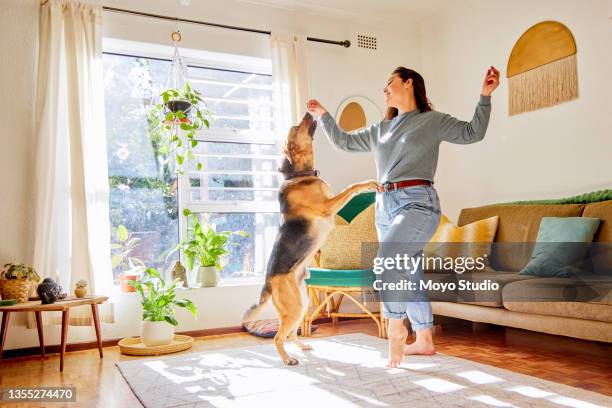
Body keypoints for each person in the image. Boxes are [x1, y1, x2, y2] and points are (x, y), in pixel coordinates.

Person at [307, 66, 500, 367]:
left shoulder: (432, 121)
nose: (384, 90)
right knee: (407, 273)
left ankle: (396, 326)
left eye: (389, 83)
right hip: (384, 206)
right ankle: (424, 340)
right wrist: (323, 116)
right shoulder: (380, 130)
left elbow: (472, 132)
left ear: (409, 83)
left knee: (387, 260)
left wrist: (485, 96)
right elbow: (344, 141)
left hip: (417, 204)